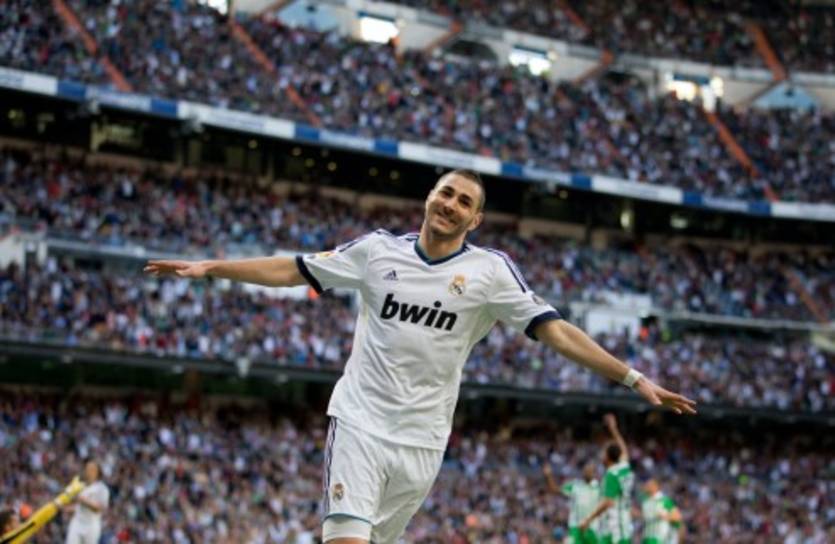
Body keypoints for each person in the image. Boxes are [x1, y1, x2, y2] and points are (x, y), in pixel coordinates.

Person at [145, 169, 696, 544]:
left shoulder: (489, 273)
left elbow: (556, 332)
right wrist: (213, 267)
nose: (450, 204)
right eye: (445, 193)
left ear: (475, 220)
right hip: (360, 423)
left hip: (423, 441)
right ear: (429, 197)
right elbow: (294, 268)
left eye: (464, 202)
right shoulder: (376, 251)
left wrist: (632, 377)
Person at [580, 414, 634, 544]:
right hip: (624, 524)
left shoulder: (612, 474)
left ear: (608, 457)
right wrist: (613, 429)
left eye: (604, 452)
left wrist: (588, 519)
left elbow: (608, 502)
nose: (601, 454)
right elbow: (623, 449)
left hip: (614, 528)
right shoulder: (624, 467)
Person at [543, 460, 601, 543]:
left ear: (594, 473)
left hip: (593, 528)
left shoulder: (598, 488)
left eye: (590, 471)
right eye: (586, 470)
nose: (587, 473)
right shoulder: (575, 485)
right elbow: (555, 490)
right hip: (576, 528)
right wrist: (548, 476)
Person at [65, 461, 109, 544]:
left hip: (91, 526)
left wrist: (83, 500)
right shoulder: (80, 486)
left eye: (92, 469)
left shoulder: (102, 488)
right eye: (87, 469)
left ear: (98, 472)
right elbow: (79, 507)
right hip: (77, 522)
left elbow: (99, 508)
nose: (88, 471)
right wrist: (67, 508)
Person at [639, 479, 682, 544]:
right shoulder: (645, 501)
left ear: (656, 486)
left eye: (649, 485)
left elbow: (678, 516)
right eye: (647, 485)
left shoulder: (664, 500)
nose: (647, 486)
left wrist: (665, 516)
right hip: (647, 536)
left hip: (659, 537)